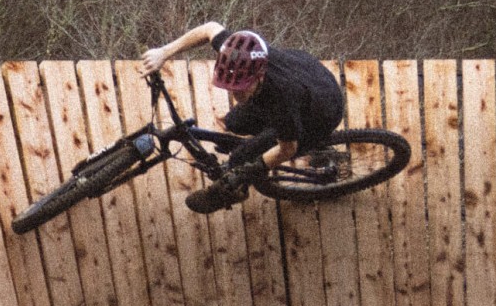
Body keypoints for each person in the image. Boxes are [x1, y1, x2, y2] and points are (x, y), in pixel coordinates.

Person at [139, 21, 345, 213]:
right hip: (307, 73)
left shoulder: (282, 99)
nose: (235, 96)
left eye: (240, 90)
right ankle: (263, 141)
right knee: (234, 122)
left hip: (322, 112)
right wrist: (164, 52)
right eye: (231, 89)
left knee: (240, 157)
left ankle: (234, 192)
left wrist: (243, 171)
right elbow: (210, 28)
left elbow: (287, 148)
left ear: (260, 76)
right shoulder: (241, 53)